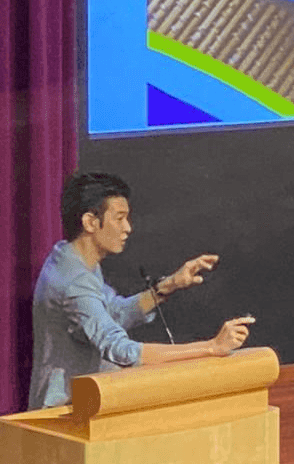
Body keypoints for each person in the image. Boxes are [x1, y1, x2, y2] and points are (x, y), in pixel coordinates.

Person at [28, 170, 253, 409]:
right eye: (119, 218)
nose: (128, 228)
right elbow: (122, 351)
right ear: (90, 222)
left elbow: (113, 313)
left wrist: (170, 285)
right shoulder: (74, 281)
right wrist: (211, 347)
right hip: (63, 414)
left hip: (88, 400)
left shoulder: (69, 256)